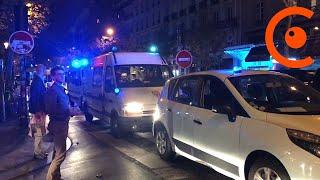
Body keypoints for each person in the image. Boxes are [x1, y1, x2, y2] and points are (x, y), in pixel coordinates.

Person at [45, 66, 80, 180]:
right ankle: (50, 177)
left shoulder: (60, 89)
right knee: (61, 154)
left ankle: (56, 176)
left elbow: (63, 105)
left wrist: (71, 109)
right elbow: (51, 109)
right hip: (58, 124)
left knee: (57, 152)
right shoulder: (53, 90)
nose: (62, 76)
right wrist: (68, 111)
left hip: (62, 123)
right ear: (53, 77)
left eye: (63, 74)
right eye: (59, 74)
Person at [29, 64, 47, 159]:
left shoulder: (37, 80)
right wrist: (37, 112)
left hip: (39, 110)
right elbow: (36, 98)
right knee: (38, 133)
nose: (45, 71)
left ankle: (40, 151)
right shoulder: (37, 82)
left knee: (40, 132)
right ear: (40, 70)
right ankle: (37, 152)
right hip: (38, 111)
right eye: (44, 69)